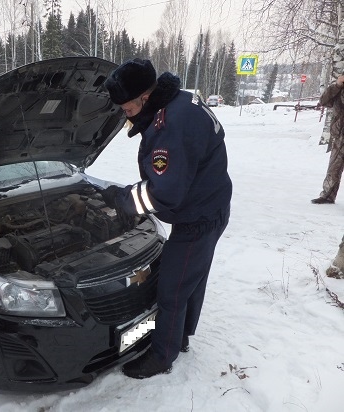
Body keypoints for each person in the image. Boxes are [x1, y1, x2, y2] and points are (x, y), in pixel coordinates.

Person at [101, 58, 232, 379]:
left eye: (128, 109)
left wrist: (119, 201)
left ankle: (162, 355)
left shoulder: (169, 126)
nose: (125, 116)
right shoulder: (182, 98)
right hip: (212, 203)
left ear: (145, 97)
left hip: (197, 216)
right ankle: (182, 336)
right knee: (192, 278)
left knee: (172, 289)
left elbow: (164, 194)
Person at [312, 74, 344, 204]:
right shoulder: (338, 89)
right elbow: (324, 101)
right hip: (340, 135)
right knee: (334, 167)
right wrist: (337, 85)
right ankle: (327, 196)